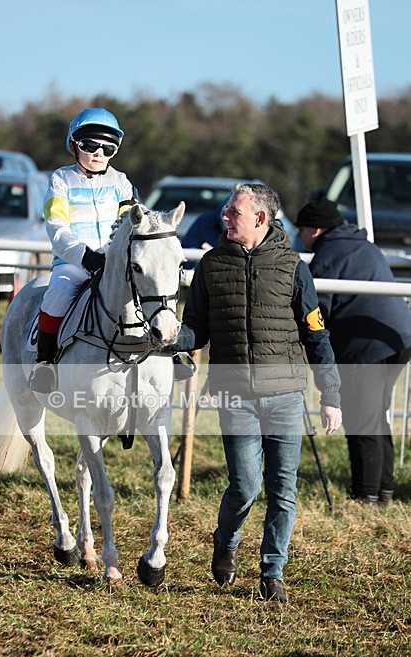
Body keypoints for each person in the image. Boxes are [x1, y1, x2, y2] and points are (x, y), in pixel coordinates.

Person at [172, 183, 342, 603]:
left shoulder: (292, 267)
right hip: (235, 394)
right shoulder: (211, 266)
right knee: (245, 486)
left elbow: (315, 334)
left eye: (233, 212)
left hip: (285, 394)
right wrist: (166, 340)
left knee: (283, 490)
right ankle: (225, 541)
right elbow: (195, 326)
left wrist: (331, 393)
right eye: (226, 211)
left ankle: (272, 573)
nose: (224, 217)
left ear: (260, 219)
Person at [295, 196, 411, 506]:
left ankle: (366, 497)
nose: (299, 236)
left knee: (362, 420)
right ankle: (384, 493)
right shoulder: (360, 244)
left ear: (316, 230)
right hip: (397, 338)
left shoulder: (329, 253)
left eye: (301, 229)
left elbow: (317, 309)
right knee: (376, 418)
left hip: (367, 345)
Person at [29, 108, 137, 393]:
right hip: (73, 262)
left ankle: (169, 351)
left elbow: (129, 224)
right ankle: (45, 363)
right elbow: (56, 227)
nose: (98, 152)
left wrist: (112, 256)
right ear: (74, 145)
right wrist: (85, 256)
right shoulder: (61, 180)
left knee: (149, 288)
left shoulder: (122, 182)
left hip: (112, 262)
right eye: (90, 145)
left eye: (108, 148)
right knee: (57, 294)